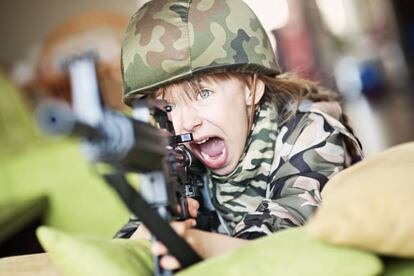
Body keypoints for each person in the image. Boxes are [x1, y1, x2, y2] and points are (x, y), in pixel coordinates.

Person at [115, 0, 363, 270]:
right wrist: (144, 238)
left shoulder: (310, 132)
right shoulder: (180, 157)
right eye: (169, 106)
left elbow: (287, 232)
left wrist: (200, 245)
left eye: (203, 94)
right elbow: (122, 247)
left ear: (251, 88)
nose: (186, 123)